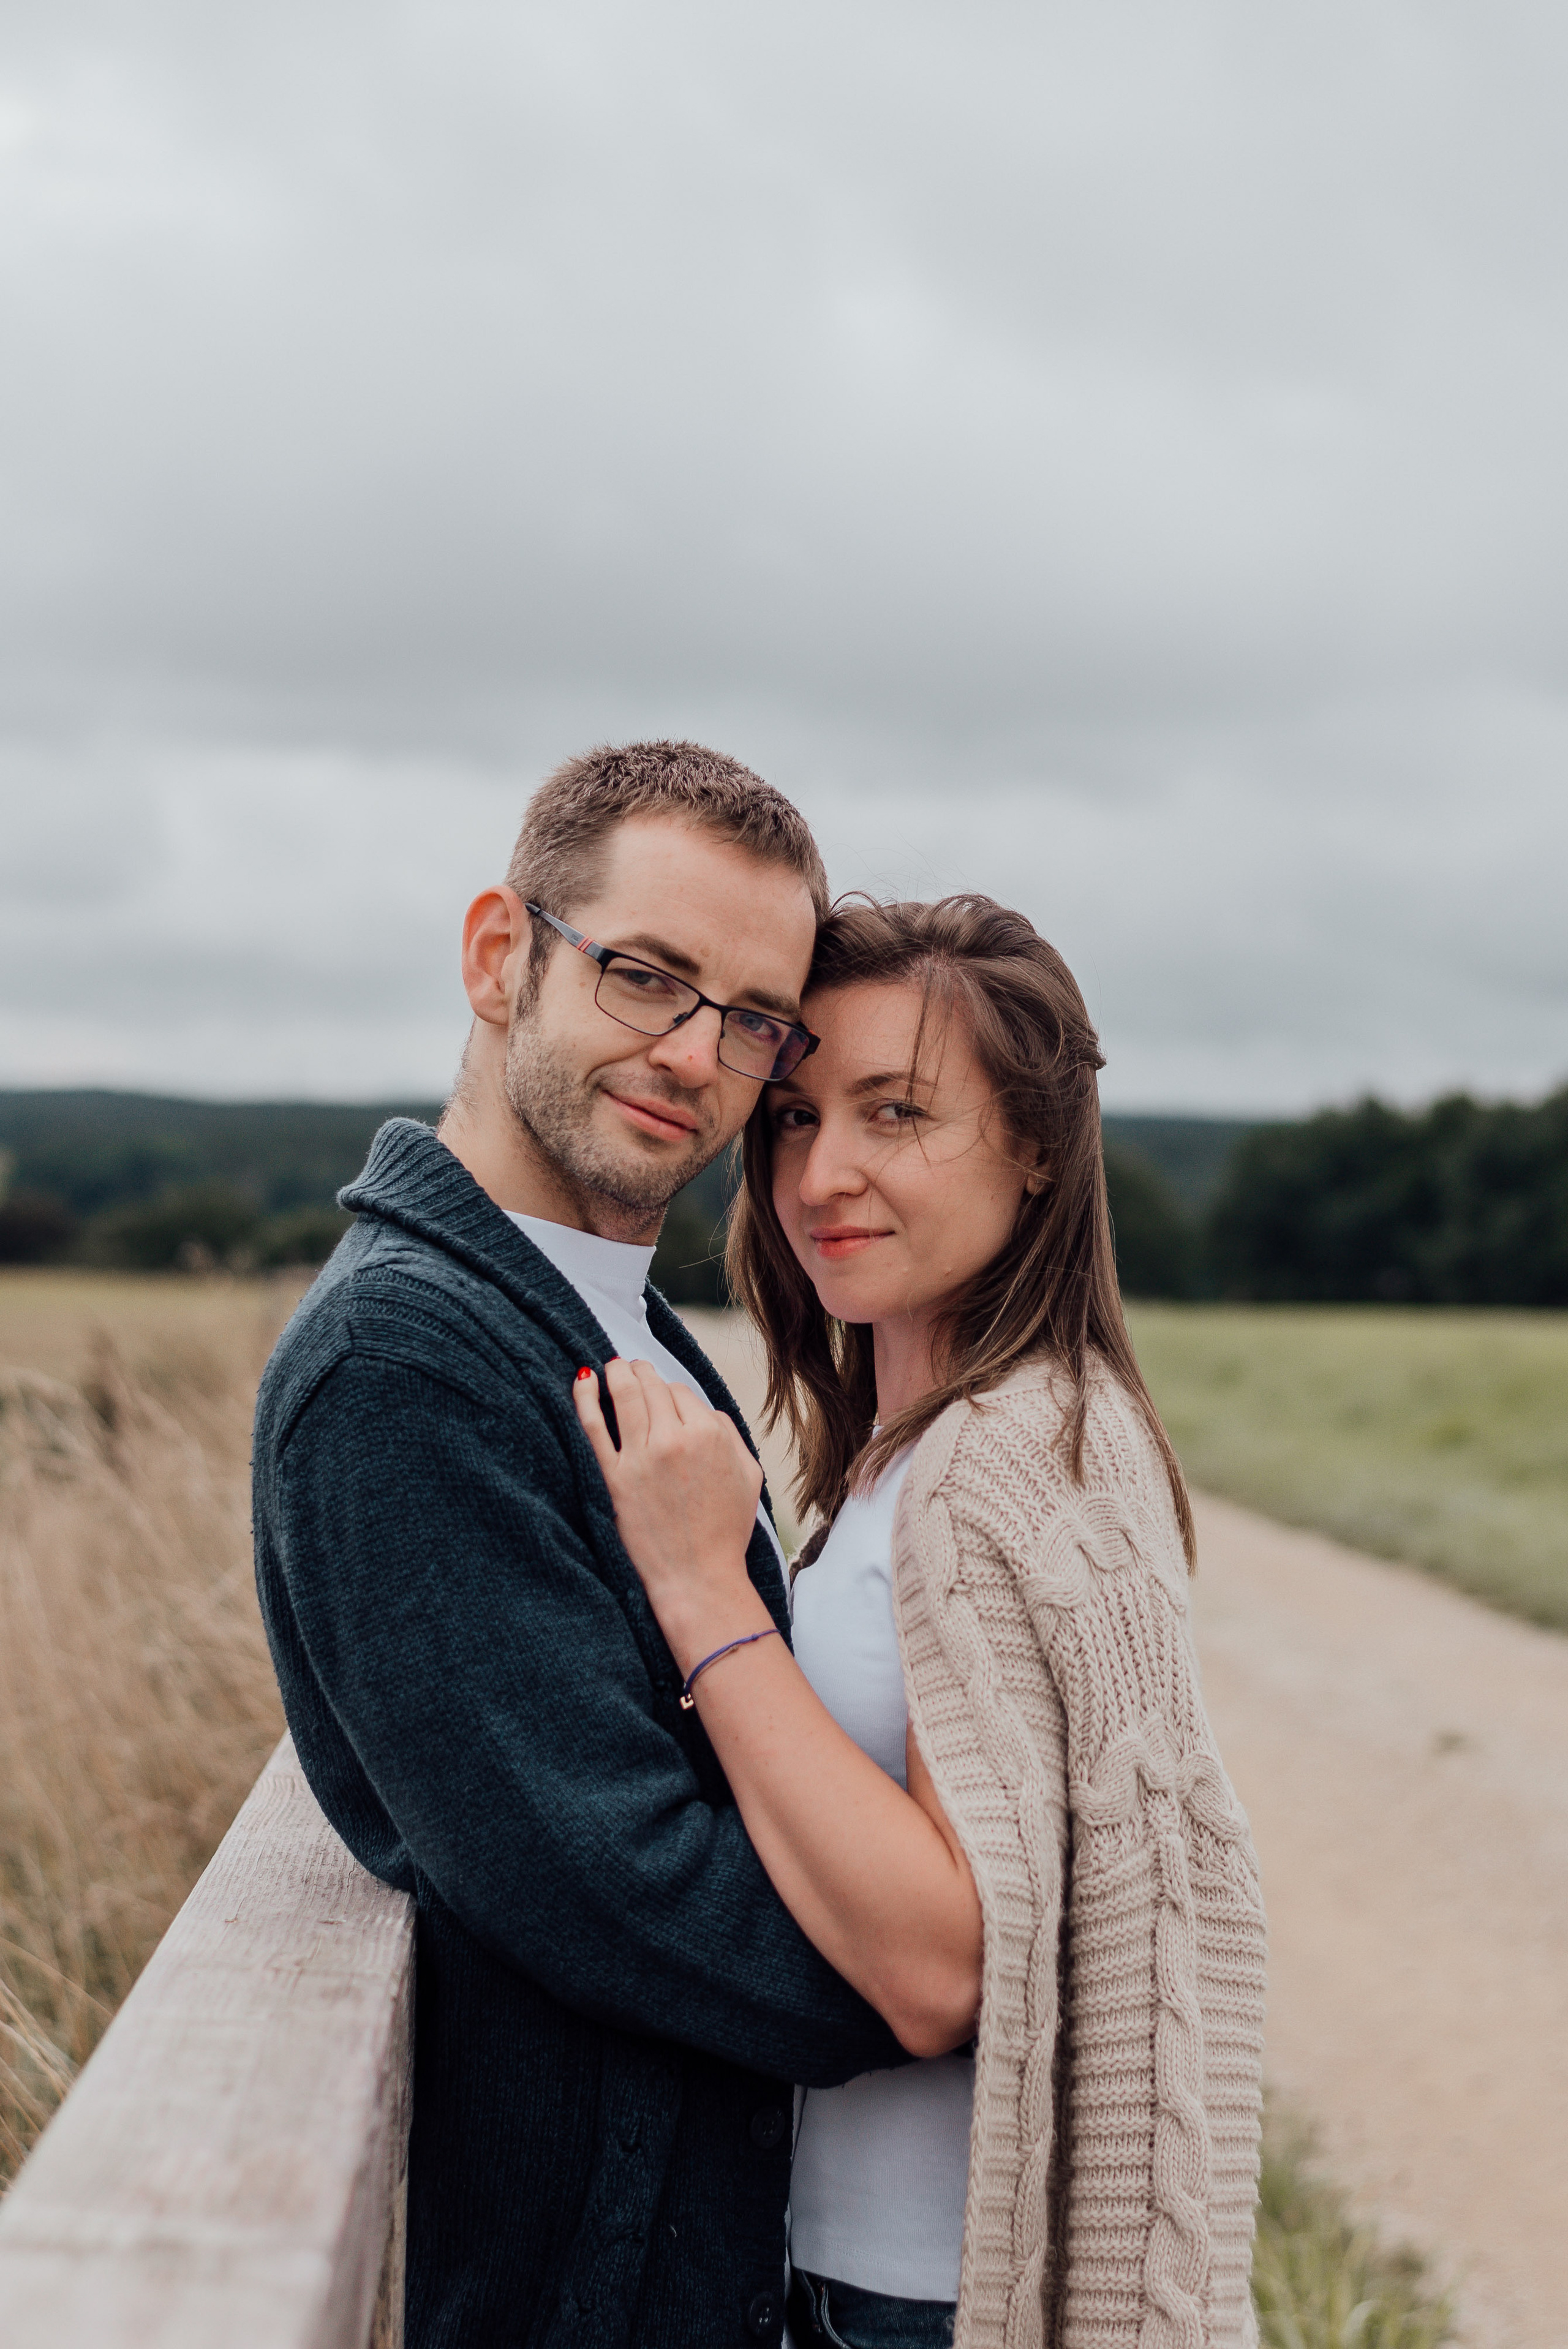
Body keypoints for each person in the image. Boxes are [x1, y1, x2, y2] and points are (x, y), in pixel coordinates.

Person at [252, 744, 922, 2349]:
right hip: (592, 2299)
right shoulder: (403, 1366)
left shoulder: (602, 1315)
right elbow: (610, 1875)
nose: (696, 1054)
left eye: (755, 1017)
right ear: (502, 955)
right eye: (645, 975)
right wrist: (945, 1978)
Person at [574, 895, 1268, 2349]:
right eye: (792, 1118)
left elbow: (940, 1964)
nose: (823, 1172)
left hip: (922, 2301)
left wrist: (703, 1594)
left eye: (895, 1112)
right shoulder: (935, 1450)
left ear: (1032, 1144)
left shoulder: (998, 1461)